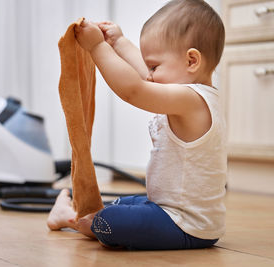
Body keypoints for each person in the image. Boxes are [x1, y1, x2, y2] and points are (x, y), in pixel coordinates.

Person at [47, 0, 227, 250]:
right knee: (123, 204)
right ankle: (78, 216)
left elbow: (135, 89)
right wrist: (119, 43)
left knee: (111, 219)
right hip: (166, 211)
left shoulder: (191, 100)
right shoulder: (191, 93)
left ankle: (75, 220)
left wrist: (98, 47)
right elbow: (146, 77)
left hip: (184, 225)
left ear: (191, 61)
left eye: (154, 65)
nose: (150, 73)